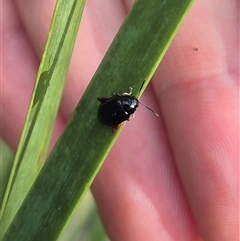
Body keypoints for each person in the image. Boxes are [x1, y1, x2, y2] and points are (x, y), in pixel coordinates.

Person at [1, 0, 238, 240]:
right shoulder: (128, 106)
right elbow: (120, 105)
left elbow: (119, 104)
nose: (133, 100)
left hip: (110, 111)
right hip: (110, 112)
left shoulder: (127, 105)